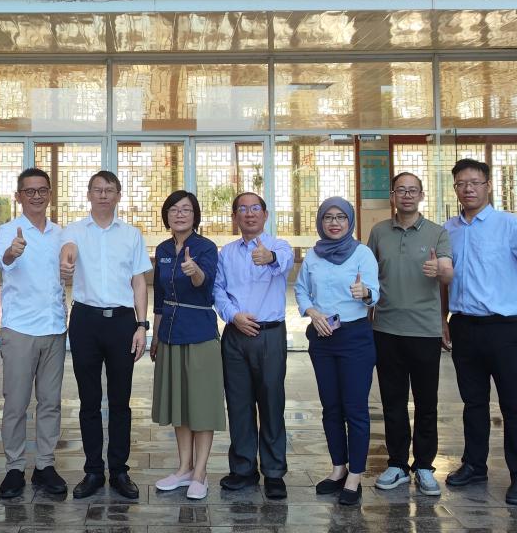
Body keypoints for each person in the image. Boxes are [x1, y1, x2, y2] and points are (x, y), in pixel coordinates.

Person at [444, 158, 517, 506]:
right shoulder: (448, 230)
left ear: (488, 186)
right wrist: (442, 320)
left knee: (513, 402)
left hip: (502, 327)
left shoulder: (509, 224)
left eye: (475, 182)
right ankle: (474, 465)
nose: (468, 188)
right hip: (463, 324)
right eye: (461, 183)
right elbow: (443, 279)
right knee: (473, 402)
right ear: (455, 188)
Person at [60, 170, 151, 500]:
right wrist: (67, 262)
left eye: (109, 190)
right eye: (97, 190)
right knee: (88, 400)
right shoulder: (74, 230)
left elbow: (139, 281)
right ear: (88, 194)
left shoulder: (131, 234)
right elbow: (68, 251)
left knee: (120, 401)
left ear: (118, 196)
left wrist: (142, 325)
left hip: (122, 322)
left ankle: (120, 470)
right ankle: (93, 471)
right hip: (85, 320)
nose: (102, 195)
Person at [367, 173, 454, 496]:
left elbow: (448, 272)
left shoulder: (437, 232)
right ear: (392, 195)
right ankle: (398, 464)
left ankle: (425, 466)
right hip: (386, 328)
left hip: (424, 330)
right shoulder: (379, 232)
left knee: (426, 401)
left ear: (421, 195)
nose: (406, 195)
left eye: (412, 190)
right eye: (401, 190)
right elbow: (369, 277)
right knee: (393, 401)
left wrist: (439, 270)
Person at [296, 197, 379, 506]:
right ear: (321, 222)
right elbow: (301, 289)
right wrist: (312, 312)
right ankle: (338, 468)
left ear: (350, 221)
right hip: (322, 337)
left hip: (354, 337)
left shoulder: (362, 253)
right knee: (330, 407)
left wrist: (365, 292)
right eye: (328, 217)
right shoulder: (313, 255)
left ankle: (355, 476)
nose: (334, 222)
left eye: (341, 217)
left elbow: (375, 293)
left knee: (354, 408)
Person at [213, 192, 294, 500]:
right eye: (243, 209)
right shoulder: (227, 253)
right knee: (239, 404)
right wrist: (234, 316)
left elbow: (283, 262)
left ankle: (274, 472)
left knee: (271, 403)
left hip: (269, 335)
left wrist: (268, 257)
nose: (249, 214)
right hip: (235, 335)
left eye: (255, 208)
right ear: (235, 216)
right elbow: (218, 290)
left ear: (265, 214)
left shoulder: (279, 246)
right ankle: (243, 469)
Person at [0, 168, 68, 499]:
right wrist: (14, 251)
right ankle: (14, 467)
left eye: (42, 190)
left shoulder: (60, 233)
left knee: (50, 402)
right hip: (20, 328)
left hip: (54, 328)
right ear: (18, 196)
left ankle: (45, 465)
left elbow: (65, 271)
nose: (36, 196)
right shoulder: (8, 230)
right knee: (16, 403)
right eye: (29, 191)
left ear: (49, 194)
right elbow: (4, 261)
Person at [150, 190, 224, 501]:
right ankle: (183, 468)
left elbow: (205, 284)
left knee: (201, 406)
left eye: (186, 209)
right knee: (179, 404)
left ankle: (200, 472)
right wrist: (155, 335)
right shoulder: (163, 249)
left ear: (195, 216)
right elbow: (158, 298)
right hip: (169, 333)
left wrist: (195, 272)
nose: (180, 214)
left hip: (199, 335)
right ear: (166, 215)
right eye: (174, 209)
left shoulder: (206, 247)